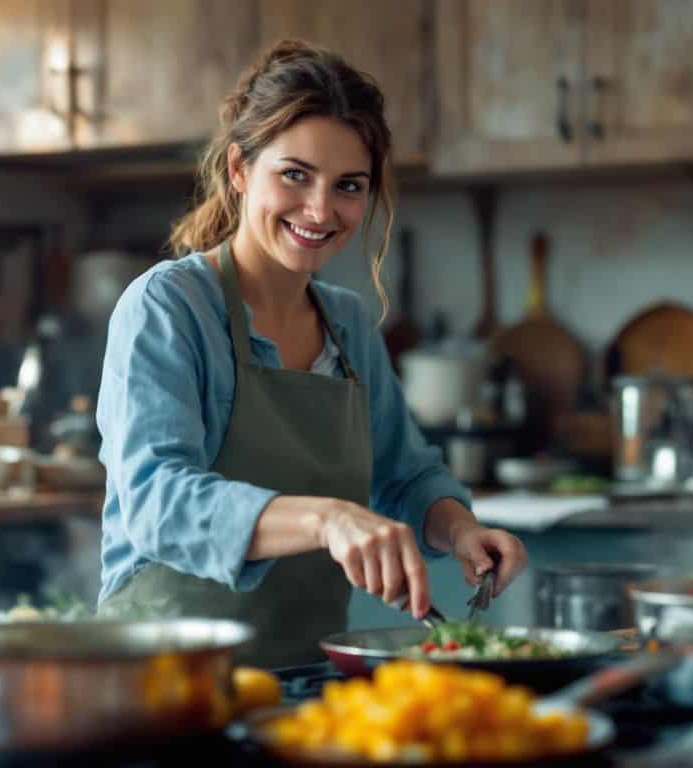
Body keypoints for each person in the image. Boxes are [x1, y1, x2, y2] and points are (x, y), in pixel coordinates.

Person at [95, 39, 526, 667]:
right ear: (240, 171)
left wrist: (460, 527)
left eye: (348, 186)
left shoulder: (348, 322)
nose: (321, 210)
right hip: (162, 679)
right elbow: (158, 503)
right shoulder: (168, 306)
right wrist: (327, 520)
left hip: (304, 675)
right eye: (294, 175)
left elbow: (404, 475)